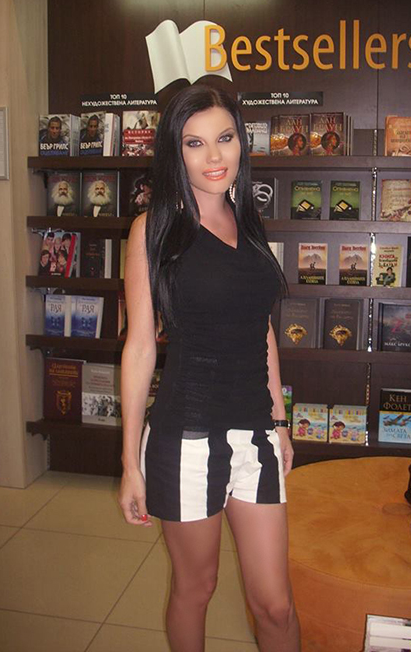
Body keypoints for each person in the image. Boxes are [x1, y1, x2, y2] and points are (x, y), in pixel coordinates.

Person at [118, 84, 301, 652]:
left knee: (275, 605)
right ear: (175, 151)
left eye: (225, 138)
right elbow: (140, 347)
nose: (214, 157)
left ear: (242, 141)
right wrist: (129, 463)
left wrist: (279, 420)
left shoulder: (249, 221)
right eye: (195, 143)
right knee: (196, 588)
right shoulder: (153, 229)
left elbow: (261, 329)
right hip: (187, 438)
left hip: (255, 434)